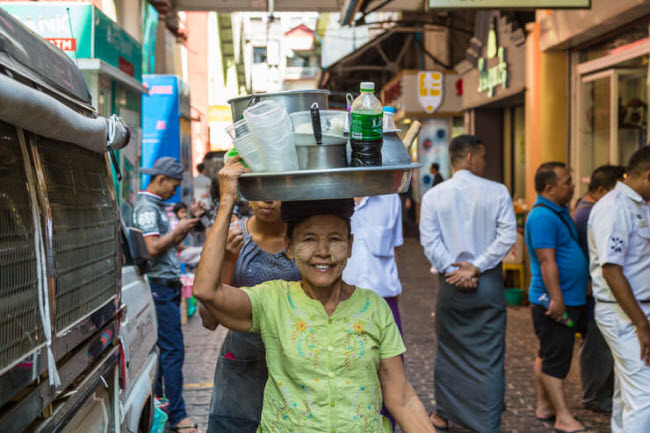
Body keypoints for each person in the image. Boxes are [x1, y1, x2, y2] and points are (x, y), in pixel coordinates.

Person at [193, 156, 434, 433]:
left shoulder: (374, 308)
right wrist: (226, 204)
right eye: (309, 239)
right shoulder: (273, 301)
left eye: (334, 239)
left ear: (350, 244)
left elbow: (401, 399)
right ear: (290, 247)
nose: (323, 251)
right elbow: (205, 292)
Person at [419, 134, 516, 433]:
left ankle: (444, 414)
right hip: (486, 283)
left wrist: (453, 269)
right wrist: (476, 267)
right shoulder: (497, 191)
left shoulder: (434, 196)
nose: (484, 163)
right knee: (489, 356)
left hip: (450, 285)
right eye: (483, 158)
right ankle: (486, 422)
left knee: (448, 350)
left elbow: (429, 241)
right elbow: (507, 236)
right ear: (471, 157)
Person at [200, 200, 301, 433]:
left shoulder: (304, 238)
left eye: (275, 190)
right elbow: (208, 319)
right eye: (259, 190)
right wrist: (227, 260)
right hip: (241, 366)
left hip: (295, 362)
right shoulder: (231, 238)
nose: (267, 200)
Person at [133, 157, 204, 433]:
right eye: (173, 186)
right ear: (160, 179)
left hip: (166, 287)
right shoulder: (147, 208)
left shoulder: (156, 206)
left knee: (167, 352)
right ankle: (177, 414)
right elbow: (152, 248)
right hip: (160, 288)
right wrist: (179, 230)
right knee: (173, 351)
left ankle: (163, 408)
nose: (174, 192)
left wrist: (184, 224)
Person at [525, 162, 592, 433]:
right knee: (557, 358)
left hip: (566, 297)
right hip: (552, 302)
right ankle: (563, 416)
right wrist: (557, 300)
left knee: (548, 352)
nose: (572, 185)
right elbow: (546, 261)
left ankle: (545, 406)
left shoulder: (559, 211)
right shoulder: (542, 217)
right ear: (549, 187)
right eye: (567, 182)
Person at [588, 145, 650, 433]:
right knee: (644, 395)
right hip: (623, 313)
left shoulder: (640, 205)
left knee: (627, 392)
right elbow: (611, 270)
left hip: (633, 311)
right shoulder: (614, 208)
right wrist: (642, 323)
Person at [342, 193, 404, 427]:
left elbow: (395, 252)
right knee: (348, 374)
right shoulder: (336, 195)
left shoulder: (390, 199)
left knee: (391, 377)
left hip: (385, 301)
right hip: (344, 301)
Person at [573, 165, 626, 413]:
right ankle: (594, 394)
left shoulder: (589, 211)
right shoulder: (592, 214)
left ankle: (598, 392)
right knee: (597, 345)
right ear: (603, 189)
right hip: (595, 292)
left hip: (593, 291)